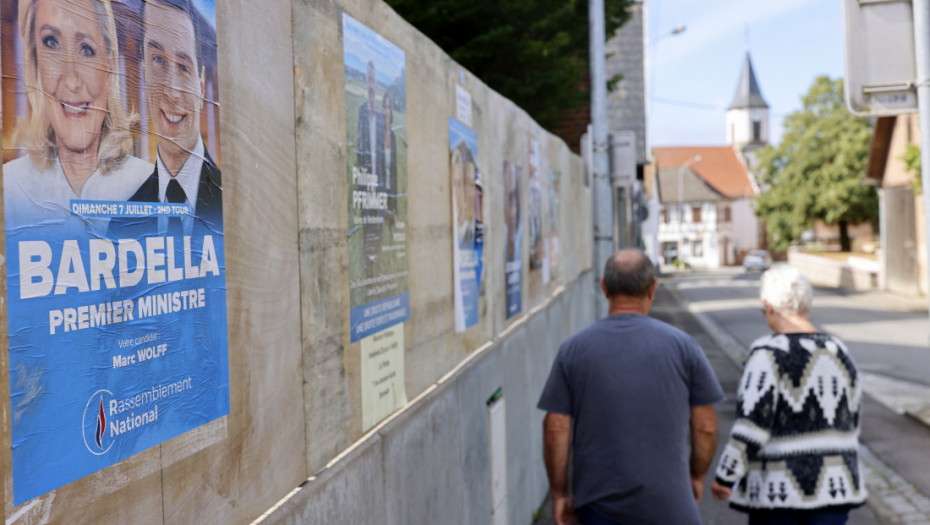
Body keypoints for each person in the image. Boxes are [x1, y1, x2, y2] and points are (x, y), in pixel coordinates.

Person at [538, 249, 725, 525]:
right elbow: (705, 427)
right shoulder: (684, 347)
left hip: (598, 508)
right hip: (671, 507)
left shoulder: (574, 349)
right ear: (653, 289)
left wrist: (559, 493)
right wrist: (696, 476)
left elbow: (555, 427)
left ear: (604, 288)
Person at [711, 264, 867, 524]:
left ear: (769, 305)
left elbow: (751, 426)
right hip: (834, 489)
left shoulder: (767, 353)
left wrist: (725, 476)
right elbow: (854, 417)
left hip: (778, 495)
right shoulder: (838, 350)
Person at [4, 0, 152, 231]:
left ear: (109, 66)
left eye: (86, 49)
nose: (72, 81)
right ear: (35, 61)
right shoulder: (11, 183)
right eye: (52, 43)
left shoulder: (149, 184)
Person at [118, 0, 221, 236]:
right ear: (143, 73)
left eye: (183, 67)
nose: (172, 91)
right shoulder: (122, 221)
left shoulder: (232, 202)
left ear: (202, 84)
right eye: (158, 59)